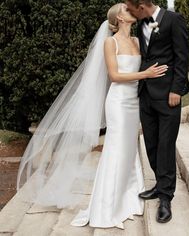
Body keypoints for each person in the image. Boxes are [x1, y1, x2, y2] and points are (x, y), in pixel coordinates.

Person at [16, 3, 167, 230]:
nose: (133, 11)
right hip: (117, 103)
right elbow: (115, 76)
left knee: (130, 149)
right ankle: (107, 207)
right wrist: (145, 74)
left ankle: (128, 198)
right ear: (120, 18)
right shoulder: (110, 42)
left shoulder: (136, 42)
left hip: (135, 103)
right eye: (128, 10)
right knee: (115, 148)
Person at [125, 0, 189, 223]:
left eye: (130, 7)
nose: (128, 11)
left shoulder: (174, 20)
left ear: (141, 5)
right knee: (151, 144)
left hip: (168, 96)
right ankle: (160, 184)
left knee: (165, 145)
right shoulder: (139, 24)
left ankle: (165, 197)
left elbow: (182, 57)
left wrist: (177, 90)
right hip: (146, 95)